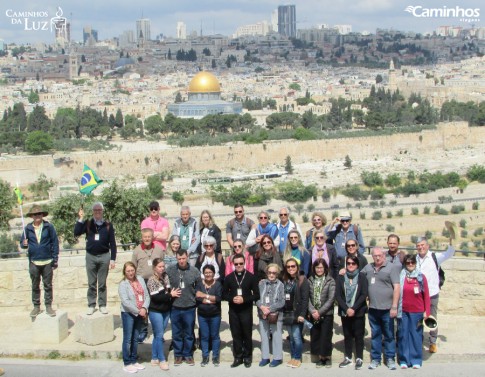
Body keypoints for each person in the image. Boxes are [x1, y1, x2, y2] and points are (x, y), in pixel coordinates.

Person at [74, 202, 117, 315]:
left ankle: (102, 305)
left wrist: (112, 259)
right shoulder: (88, 223)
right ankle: (91, 305)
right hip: (91, 256)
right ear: (93, 211)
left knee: (102, 283)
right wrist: (80, 218)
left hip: (104, 256)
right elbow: (76, 232)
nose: (97, 212)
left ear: (102, 211)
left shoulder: (108, 225)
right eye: (95, 210)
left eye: (99, 210)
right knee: (91, 283)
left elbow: (112, 243)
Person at [362, 247, 400, 370]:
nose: (377, 257)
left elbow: (397, 287)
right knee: (375, 334)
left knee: (389, 335)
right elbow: (357, 274)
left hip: (388, 308)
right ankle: (375, 359)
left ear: (384, 255)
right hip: (373, 308)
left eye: (380, 255)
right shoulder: (368, 268)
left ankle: (390, 358)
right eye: (375, 256)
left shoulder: (391, 268)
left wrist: (394, 306)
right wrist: (344, 270)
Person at [415, 236, 455, 354]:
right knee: (418, 318)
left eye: (423, 245)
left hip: (432, 293)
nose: (421, 247)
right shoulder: (415, 259)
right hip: (419, 295)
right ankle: (418, 340)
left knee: (432, 318)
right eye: (418, 246)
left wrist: (452, 242)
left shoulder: (435, 257)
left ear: (427, 246)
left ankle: (432, 342)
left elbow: (449, 253)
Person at [20, 204, 59, 318]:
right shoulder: (27, 228)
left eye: (39, 214)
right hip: (34, 262)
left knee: (48, 285)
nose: (37, 216)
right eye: (35, 214)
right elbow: (22, 244)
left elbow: (55, 243)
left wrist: (55, 259)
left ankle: (48, 306)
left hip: (47, 261)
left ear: (42, 215)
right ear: (32, 216)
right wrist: (24, 243)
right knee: (35, 285)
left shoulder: (49, 227)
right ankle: (36, 306)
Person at [223, 253, 260, 368]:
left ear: (244, 263)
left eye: (241, 263)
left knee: (247, 334)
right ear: (233, 264)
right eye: (236, 264)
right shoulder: (229, 277)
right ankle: (238, 356)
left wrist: (244, 299)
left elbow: (257, 295)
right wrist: (231, 298)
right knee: (236, 334)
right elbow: (224, 294)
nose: (238, 265)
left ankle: (248, 356)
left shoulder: (251, 277)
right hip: (233, 310)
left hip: (246, 310)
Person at [166, 249, 201, 366]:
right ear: (176, 258)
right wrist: (170, 292)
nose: (181, 261)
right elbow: (165, 285)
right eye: (179, 259)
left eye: (183, 258)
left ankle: (188, 354)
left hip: (189, 307)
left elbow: (199, 286)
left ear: (187, 257)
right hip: (175, 306)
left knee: (189, 332)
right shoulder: (170, 270)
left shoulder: (194, 271)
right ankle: (178, 355)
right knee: (176, 332)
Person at [335, 255, 368, 370]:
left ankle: (359, 357)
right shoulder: (341, 277)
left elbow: (364, 294)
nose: (350, 265)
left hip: (358, 311)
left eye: (353, 263)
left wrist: (353, 308)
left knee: (359, 335)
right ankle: (348, 357)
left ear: (357, 265)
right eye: (348, 263)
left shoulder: (362, 277)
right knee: (347, 335)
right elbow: (338, 295)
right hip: (345, 312)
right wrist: (346, 309)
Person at [397, 254, 431, 369]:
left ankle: (416, 359)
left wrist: (428, 312)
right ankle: (404, 360)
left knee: (416, 335)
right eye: (408, 263)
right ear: (405, 264)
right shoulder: (401, 276)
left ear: (415, 263)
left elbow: (426, 295)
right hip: (404, 311)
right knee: (403, 335)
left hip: (417, 312)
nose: (410, 264)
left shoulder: (421, 277)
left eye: (413, 262)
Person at [118, 261, 149, 374]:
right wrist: (138, 311)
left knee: (136, 337)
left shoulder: (140, 279)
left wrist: (144, 308)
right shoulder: (123, 284)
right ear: (124, 272)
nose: (131, 273)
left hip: (141, 312)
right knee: (128, 339)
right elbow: (125, 302)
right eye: (128, 271)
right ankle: (127, 362)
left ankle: (134, 359)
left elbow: (146, 295)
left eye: (132, 270)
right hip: (128, 314)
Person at [147, 258, 174, 371]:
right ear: (154, 268)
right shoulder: (151, 280)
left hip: (165, 310)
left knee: (158, 334)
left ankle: (154, 357)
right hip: (156, 310)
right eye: (159, 267)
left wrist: (169, 294)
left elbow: (168, 290)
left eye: (163, 266)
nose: (162, 268)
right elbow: (156, 297)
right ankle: (162, 360)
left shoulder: (165, 276)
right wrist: (170, 295)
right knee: (159, 335)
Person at [308, 258, 336, 368]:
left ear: (325, 268)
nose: (319, 270)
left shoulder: (330, 280)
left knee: (326, 335)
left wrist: (319, 312)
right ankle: (320, 357)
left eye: (321, 267)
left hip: (326, 313)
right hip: (313, 313)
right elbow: (307, 298)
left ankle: (327, 357)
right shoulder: (310, 280)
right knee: (316, 335)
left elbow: (331, 299)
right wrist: (312, 311)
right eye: (317, 267)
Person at [282, 257, 309, 368]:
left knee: (297, 337)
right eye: (288, 267)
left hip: (297, 313)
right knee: (291, 337)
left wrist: (302, 314)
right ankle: (293, 357)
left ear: (297, 267)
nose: (291, 268)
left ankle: (297, 358)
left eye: (293, 266)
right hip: (287, 313)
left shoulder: (302, 279)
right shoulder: (285, 280)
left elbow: (305, 299)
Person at [256, 263, 285, 368]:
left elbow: (282, 301)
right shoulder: (261, 283)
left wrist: (270, 309)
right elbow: (256, 297)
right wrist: (262, 307)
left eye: (274, 273)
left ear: (277, 274)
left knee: (276, 336)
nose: (271, 275)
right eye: (269, 272)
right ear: (266, 273)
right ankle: (265, 357)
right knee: (264, 336)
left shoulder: (280, 285)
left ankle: (277, 358)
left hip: (276, 314)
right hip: (262, 313)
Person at [195, 264, 223, 367]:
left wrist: (205, 296)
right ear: (203, 274)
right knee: (205, 336)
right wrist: (211, 299)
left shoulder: (218, 284)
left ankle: (215, 357)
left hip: (215, 314)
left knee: (215, 336)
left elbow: (218, 298)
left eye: (210, 272)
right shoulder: (199, 284)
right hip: (202, 315)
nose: (208, 274)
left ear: (214, 273)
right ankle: (205, 356)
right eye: (206, 273)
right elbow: (197, 297)